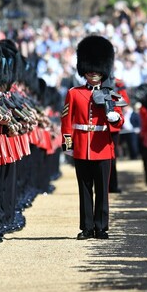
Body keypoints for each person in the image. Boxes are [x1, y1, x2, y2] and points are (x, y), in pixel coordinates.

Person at [61, 35, 124, 239]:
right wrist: (68, 144)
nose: (94, 74)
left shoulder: (110, 94)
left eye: (97, 70)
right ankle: (87, 227)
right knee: (85, 189)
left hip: (102, 146)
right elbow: (67, 122)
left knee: (102, 191)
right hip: (81, 147)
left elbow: (119, 121)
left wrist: (114, 117)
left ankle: (101, 227)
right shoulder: (74, 93)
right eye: (90, 70)